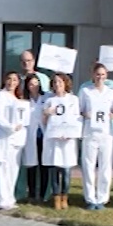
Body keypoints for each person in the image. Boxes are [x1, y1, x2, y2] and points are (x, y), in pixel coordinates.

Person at [79, 63, 113, 210]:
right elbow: (79, 110)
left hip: (106, 133)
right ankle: (90, 198)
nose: (100, 77)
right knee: (88, 166)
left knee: (105, 166)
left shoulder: (111, 93)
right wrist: (85, 114)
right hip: (90, 133)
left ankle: (102, 198)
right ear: (93, 75)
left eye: (102, 74)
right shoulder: (85, 91)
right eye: (97, 74)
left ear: (106, 75)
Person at [0, 71, 27, 211]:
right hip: (4, 138)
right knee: (3, 170)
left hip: (16, 140)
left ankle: (10, 198)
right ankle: (1, 200)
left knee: (13, 170)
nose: (12, 82)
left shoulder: (18, 98)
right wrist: (11, 127)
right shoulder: (1, 96)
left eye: (15, 80)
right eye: (9, 79)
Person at [42, 73, 80, 210]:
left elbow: (76, 118)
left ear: (66, 83)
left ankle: (65, 196)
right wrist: (46, 113)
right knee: (54, 170)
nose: (57, 84)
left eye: (60, 82)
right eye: (55, 82)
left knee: (66, 170)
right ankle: (56, 197)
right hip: (53, 140)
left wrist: (70, 133)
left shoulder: (73, 100)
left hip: (67, 140)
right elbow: (44, 123)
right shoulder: (49, 101)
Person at [22, 74, 47, 203]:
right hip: (30, 135)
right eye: (31, 84)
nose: (34, 86)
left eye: (36, 83)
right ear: (27, 86)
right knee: (31, 166)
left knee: (44, 166)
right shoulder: (24, 101)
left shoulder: (46, 97)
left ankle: (42, 195)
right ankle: (31, 194)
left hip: (43, 135)